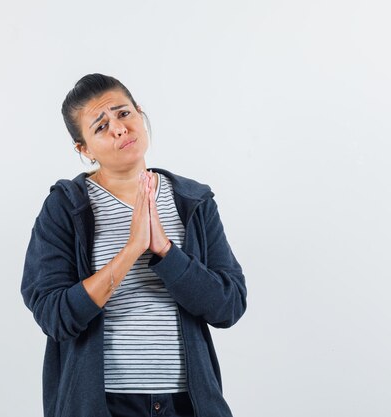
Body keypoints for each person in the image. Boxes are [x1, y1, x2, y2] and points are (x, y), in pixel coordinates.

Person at [21, 73, 247, 417]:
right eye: (101, 126)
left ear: (139, 113)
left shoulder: (193, 201)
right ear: (84, 149)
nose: (119, 128)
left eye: (123, 113)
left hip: (187, 405)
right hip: (101, 405)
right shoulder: (66, 207)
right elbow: (55, 316)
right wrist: (131, 251)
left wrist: (166, 252)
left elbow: (229, 306)